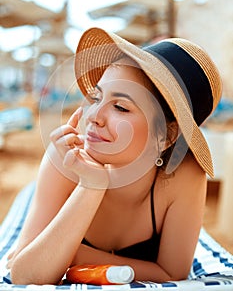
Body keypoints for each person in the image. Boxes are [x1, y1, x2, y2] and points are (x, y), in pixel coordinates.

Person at [9, 27, 222, 285]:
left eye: (120, 107)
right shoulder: (66, 155)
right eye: (96, 97)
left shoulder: (183, 175)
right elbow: (24, 275)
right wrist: (92, 184)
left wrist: (68, 252)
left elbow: (172, 273)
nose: (93, 117)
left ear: (166, 136)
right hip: (42, 194)